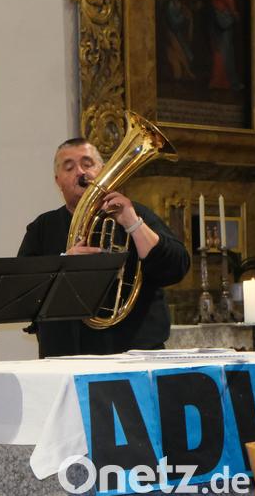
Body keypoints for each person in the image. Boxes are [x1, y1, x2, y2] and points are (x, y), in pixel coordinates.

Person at [17, 138, 190, 358]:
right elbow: (23, 291)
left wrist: (133, 223)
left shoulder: (137, 214)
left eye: (88, 164)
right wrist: (64, 263)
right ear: (57, 180)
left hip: (135, 355)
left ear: (103, 171)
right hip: (65, 357)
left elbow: (177, 267)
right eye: (69, 167)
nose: (80, 172)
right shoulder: (43, 227)